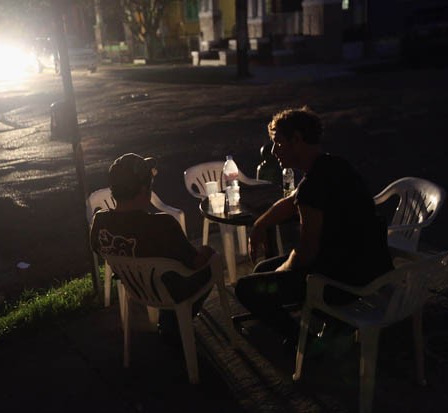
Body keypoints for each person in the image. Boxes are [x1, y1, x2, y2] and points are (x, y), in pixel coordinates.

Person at [236, 107, 393, 346]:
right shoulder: (333, 164)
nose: (274, 151)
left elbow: (306, 253)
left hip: (343, 282)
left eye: (278, 143)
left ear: (296, 140)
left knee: (246, 288)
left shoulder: (313, 184)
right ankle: (313, 320)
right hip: (371, 266)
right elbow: (292, 201)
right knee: (262, 269)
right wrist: (260, 224)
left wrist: (282, 271)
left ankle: (306, 343)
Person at [90, 153, 216, 336]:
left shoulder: (100, 221)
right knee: (212, 262)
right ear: (143, 190)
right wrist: (208, 252)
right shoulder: (163, 224)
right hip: (171, 291)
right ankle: (176, 322)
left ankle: (170, 323)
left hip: (135, 288)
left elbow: (98, 249)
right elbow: (194, 263)